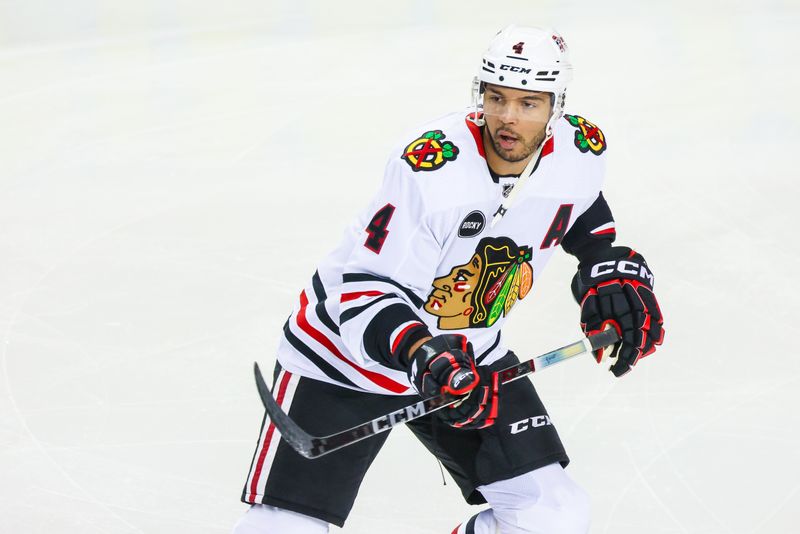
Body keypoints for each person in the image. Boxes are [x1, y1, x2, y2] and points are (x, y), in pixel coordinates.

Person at [233, 25, 664, 534]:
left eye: (529, 104)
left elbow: (579, 204)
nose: (507, 117)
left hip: (468, 360)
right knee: (283, 529)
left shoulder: (580, 149)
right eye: (497, 97)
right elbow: (366, 285)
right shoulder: (431, 168)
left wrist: (603, 265)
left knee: (552, 516)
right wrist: (423, 353)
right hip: (346, 360)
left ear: (556, 107)